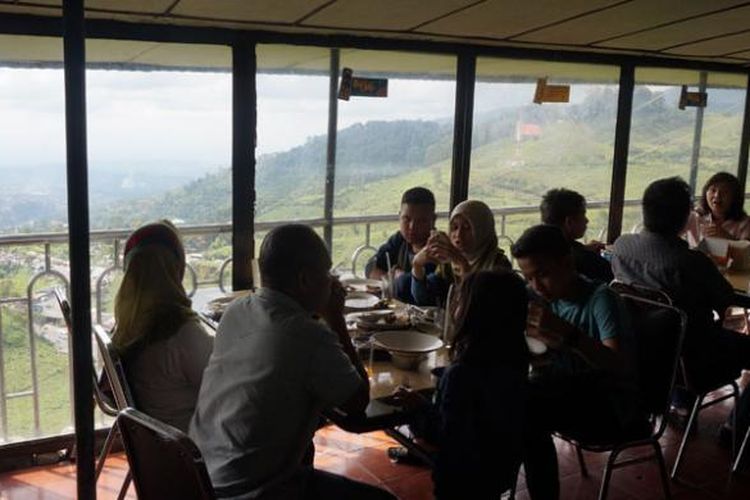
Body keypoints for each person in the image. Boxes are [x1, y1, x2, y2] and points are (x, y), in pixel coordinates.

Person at [190, 224, 395, 500]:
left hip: (202, 478)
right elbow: (357, 403)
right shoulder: (306, 334)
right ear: (304, 280)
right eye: (327, 272)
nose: (333, 280)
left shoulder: (236, 311)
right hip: (255, 491)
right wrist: (336, 319)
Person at [612, 177, 750, 444]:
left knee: (682, 327)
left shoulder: (621, 248)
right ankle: (736, 427)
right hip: (695, 359)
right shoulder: (690, 262)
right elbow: (725, 299)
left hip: (646, 355)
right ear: (684, 217)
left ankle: (682, 404)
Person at [512, 224, 638, 500]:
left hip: (609, 407)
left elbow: (619, 365)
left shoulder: (600, 300)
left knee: (527, 411)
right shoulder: (544, 299)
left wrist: (568, 334)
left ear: (567, 262)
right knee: (507, 392)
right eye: (528, 278)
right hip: (567, 393)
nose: (536, 286)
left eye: (543, 274)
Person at [396, 270, 529, 499]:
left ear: (472, 313)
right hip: (497, 475)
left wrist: (417, 407)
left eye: (459, 300)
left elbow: (443, 435)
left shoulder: (461, 374)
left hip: (459, 480)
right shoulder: (516, 362)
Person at [112, 220, 213, 433]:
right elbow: (223, 389)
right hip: (193, 447)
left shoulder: (128, 326)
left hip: (156, 446)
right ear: (175, 269)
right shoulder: (181, 333)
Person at [411, 199, 511, 307]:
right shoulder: (448, 263)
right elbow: (425, 300)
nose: (458, 234)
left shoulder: (499, 265)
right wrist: (417, 264)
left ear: (482, 230)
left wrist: (462, 263)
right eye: (454, 227)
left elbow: (479, 306)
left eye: (467, 228)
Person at [365, 187, 436, 303]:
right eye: (406, 219)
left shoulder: (437, 249)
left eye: (420, 221)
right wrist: (390, 278)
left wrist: (395, 279)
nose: (412, 227)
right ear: (399, 216)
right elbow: (370, 267)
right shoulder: (400, 239)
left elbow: (406, 287)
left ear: (433, 220)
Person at [540, 188, 613, 283]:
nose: (587, 220)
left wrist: (582, 248)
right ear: (569, 222)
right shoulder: (587, 261)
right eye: (583, 214)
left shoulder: (538, 251)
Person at [686, 171, 750, 244]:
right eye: (713, 190)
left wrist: (727, 237)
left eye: (725, 192)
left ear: (735, 197)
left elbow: (747, 252)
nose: (717, 195)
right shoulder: (696, 216)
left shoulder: (745, 223)